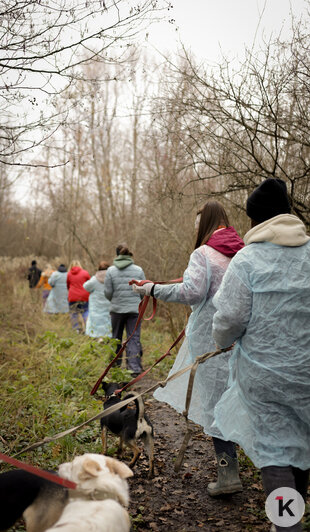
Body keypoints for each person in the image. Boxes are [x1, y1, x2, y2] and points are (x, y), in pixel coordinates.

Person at [211, 179, 310, 531]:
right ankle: (292, 515)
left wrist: (221, 340)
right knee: (302, 440)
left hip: (264, 375)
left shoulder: (247, 260)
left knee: (275, 450)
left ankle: (287, 525)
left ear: (255, 220)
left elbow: (229, 319)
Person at [133, 200, 244, 495]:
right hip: (243, 340)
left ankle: (228, 473)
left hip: (212, 341)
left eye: (197, 224)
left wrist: (152, 289)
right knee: (237, 400)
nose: (196, 230)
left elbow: (191, 291)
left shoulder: (204, 253)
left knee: (215, 405)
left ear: (206, 223)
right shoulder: (244, 252)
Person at [104, 244, 145, 376]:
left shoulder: (110, 271)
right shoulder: (138, 270)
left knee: (116, 337)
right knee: (133, 338)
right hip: (134, 310)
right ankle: (134, 368)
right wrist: (138, 302)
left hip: (116, 310)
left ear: (117, 256)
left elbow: (108, 292)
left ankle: (115, 367)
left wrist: (114, 300)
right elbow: (143, 290)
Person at [83, 261, 112, 339]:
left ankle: (96, 337)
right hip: (108, 304)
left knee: (95, 321)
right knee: (108, 321)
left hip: (96, 305)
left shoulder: (94, 279)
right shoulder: (111, 279)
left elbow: (85, 286)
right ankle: (107, 337)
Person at [67, 260, 90, 333]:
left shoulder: (69, 274)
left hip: (72, 297)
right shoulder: (85, 273)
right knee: (86, 312)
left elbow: (68, 286)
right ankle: (87, 328)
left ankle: (76, 329)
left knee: (73, 313)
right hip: (84, 296)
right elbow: (89, 284)